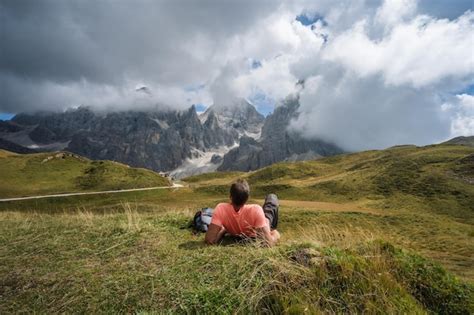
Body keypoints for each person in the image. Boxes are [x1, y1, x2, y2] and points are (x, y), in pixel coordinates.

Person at [205, 179, 281, 246]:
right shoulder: (256, 209)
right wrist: (275, 234)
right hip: (260, 224)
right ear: (247, 198)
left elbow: (210, 240)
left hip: (252, 226)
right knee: (272, 197)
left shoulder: (220, 208)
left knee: (266, 212)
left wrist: (223, 230)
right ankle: (269, 223)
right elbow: (268, 243)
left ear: (230, 196)